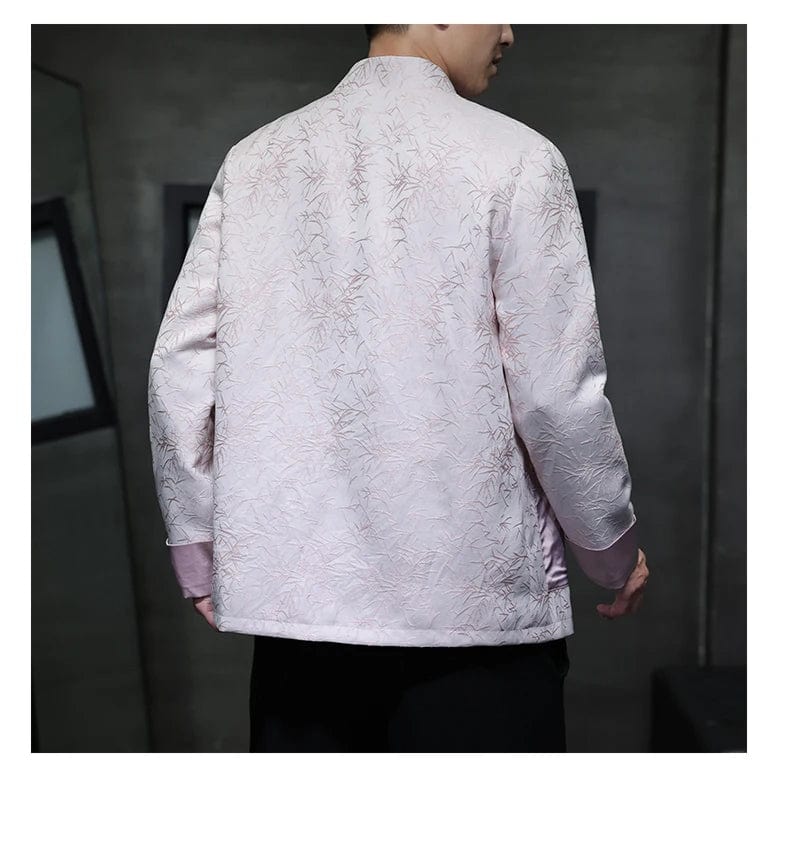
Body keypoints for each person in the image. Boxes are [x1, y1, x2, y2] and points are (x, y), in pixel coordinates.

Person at [147, 23, 650, 752]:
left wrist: (200, 548)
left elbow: (181, 362)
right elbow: (553, 392)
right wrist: (609, 548)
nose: (510, 31)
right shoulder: (519, 158)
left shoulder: (255, 160)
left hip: (301, 624)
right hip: (475, 623)